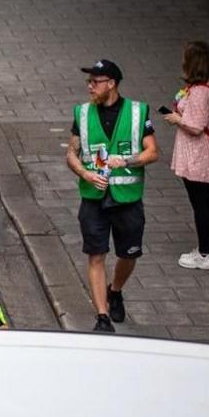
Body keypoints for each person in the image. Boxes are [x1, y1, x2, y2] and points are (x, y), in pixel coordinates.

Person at [66, 59, 158, 333]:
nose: (90, 87)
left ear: (112, 84)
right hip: (93, 198)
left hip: (127, 199)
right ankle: (102, 317)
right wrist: (84, 173)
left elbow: (153, 152)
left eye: (95, 82)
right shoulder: (82, 113)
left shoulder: (138, 112)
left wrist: (126, 159)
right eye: (89, 81)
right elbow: (71, 152)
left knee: (128, 254)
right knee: (96, 255)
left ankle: (115, 289)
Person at [162, 42, 209, 271]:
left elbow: (196, 126)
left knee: (200, 204)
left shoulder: (199, 93)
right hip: (207, 154)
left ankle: (203, 254)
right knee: (207, 202)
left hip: (197, 156)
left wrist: (176, 119)